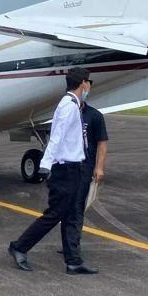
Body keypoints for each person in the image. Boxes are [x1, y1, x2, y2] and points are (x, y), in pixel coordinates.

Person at [8, 67, 97, 274]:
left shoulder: (73, 104)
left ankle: (73, 261)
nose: (89, 86)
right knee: (55, 214)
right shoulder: (68, 106)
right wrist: (45, 165)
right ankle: (19, 247)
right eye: (89, 82)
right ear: (83, 83)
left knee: (71, 214)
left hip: (74, 169)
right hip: (64, 170)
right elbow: (56, 137)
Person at [59, 88, 108, 264]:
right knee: (65, 208)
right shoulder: (66, 111)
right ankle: (68, 244)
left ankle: (73, 248)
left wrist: (99, 167)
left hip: (85, 169)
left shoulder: (95, 116)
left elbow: (102, 143)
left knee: (77, 208)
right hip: (67, 169)